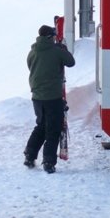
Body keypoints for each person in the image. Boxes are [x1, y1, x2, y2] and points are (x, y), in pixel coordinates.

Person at [25, 24, 76, 173]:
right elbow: (71, 62)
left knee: (41, 126)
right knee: (53, 129)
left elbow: (31, 67)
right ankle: (48, 162)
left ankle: (29, 155)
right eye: (53, 36)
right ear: (50, 37)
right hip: (53, 97)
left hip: (37, 97)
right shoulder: (56, 51)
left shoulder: (32, 51)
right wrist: (63, 50)